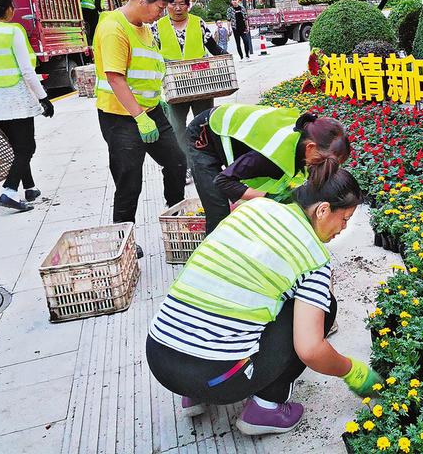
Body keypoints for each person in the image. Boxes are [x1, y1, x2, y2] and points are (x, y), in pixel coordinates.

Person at [145, 168, 381, 433]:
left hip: (159, 356)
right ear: (323, 210)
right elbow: (311, 350)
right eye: (345, 219)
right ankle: (265, 408)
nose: (344, 228)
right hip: (215, 379)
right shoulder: (314, 256)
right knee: (324, 307)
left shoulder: (251, 209)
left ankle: (194, 394)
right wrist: (351, 371)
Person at [94, 0, 186, 258]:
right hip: (121, 116)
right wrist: (139, 116)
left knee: (177, 162)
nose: (162, 14)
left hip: (151, 110)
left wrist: (155, 101)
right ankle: (123, 241)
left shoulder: (144, 28)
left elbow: (146, 69)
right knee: (129, 179)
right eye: (160, 7)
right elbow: (115, 78)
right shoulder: (114, 28)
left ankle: (176, 219)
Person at [186, 103, 351, 234]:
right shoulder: (270, 155)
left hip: (231, 136)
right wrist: (267, 197)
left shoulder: (306, 145)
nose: (327, 170)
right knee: (218, 212)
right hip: (204, 132)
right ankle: (216, 261)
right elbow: (223, 181)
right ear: (310, 147)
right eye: (326, 164)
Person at [0, 0, 54, 212]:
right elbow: (27, 70)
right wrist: (43, 98)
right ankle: (9, 191)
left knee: (16, 146)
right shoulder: (12, 31)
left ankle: (30, 188)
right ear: (8, 9)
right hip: (15, 98)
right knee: (26, 147)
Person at [154, 0, 226, 184]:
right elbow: (152, 54)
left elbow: (212, 47)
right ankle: (186, 166)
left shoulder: (197, 22)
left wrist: (224, 57)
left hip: (201, 83)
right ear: (167, 5)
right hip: (175, 86)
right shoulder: (158, 27)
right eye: (173, 4)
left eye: (182, 4)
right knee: (177, 127)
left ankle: (210, 163)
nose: (178, 8)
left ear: (188, 5)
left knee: (205, 125)